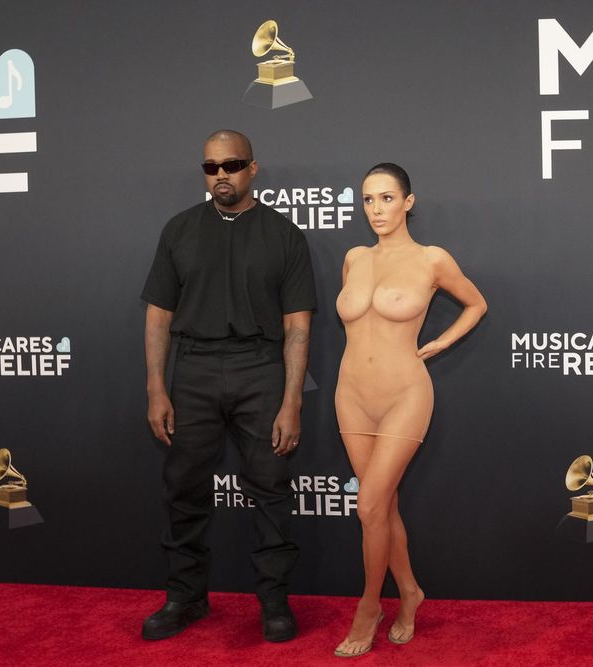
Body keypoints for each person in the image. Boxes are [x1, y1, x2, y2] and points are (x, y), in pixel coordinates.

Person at [139, 130, 316, 643]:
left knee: (271, 491)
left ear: (253, 168)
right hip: (192, 368)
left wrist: (292, 400)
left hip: (260, 369)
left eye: (232, 164)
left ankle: (275, 601)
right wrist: (156, 386)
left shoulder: (285, 235)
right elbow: (158, 316)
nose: (221, 175)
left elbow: (298, 324)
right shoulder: (179, 230)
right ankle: (185, 597)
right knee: (184, 490)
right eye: (211, 167)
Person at [332, 163, 487, 657]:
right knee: (383, 508)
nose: (376, 209)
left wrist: (440, 342)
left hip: (405, 394)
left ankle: (369, 605)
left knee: (370, 505)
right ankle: (412, 593)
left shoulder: (433, 259)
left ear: (408, 202)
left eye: (386, 198)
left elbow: (476, 304)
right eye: (368, 201)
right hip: (351, 394)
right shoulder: (354, 257)